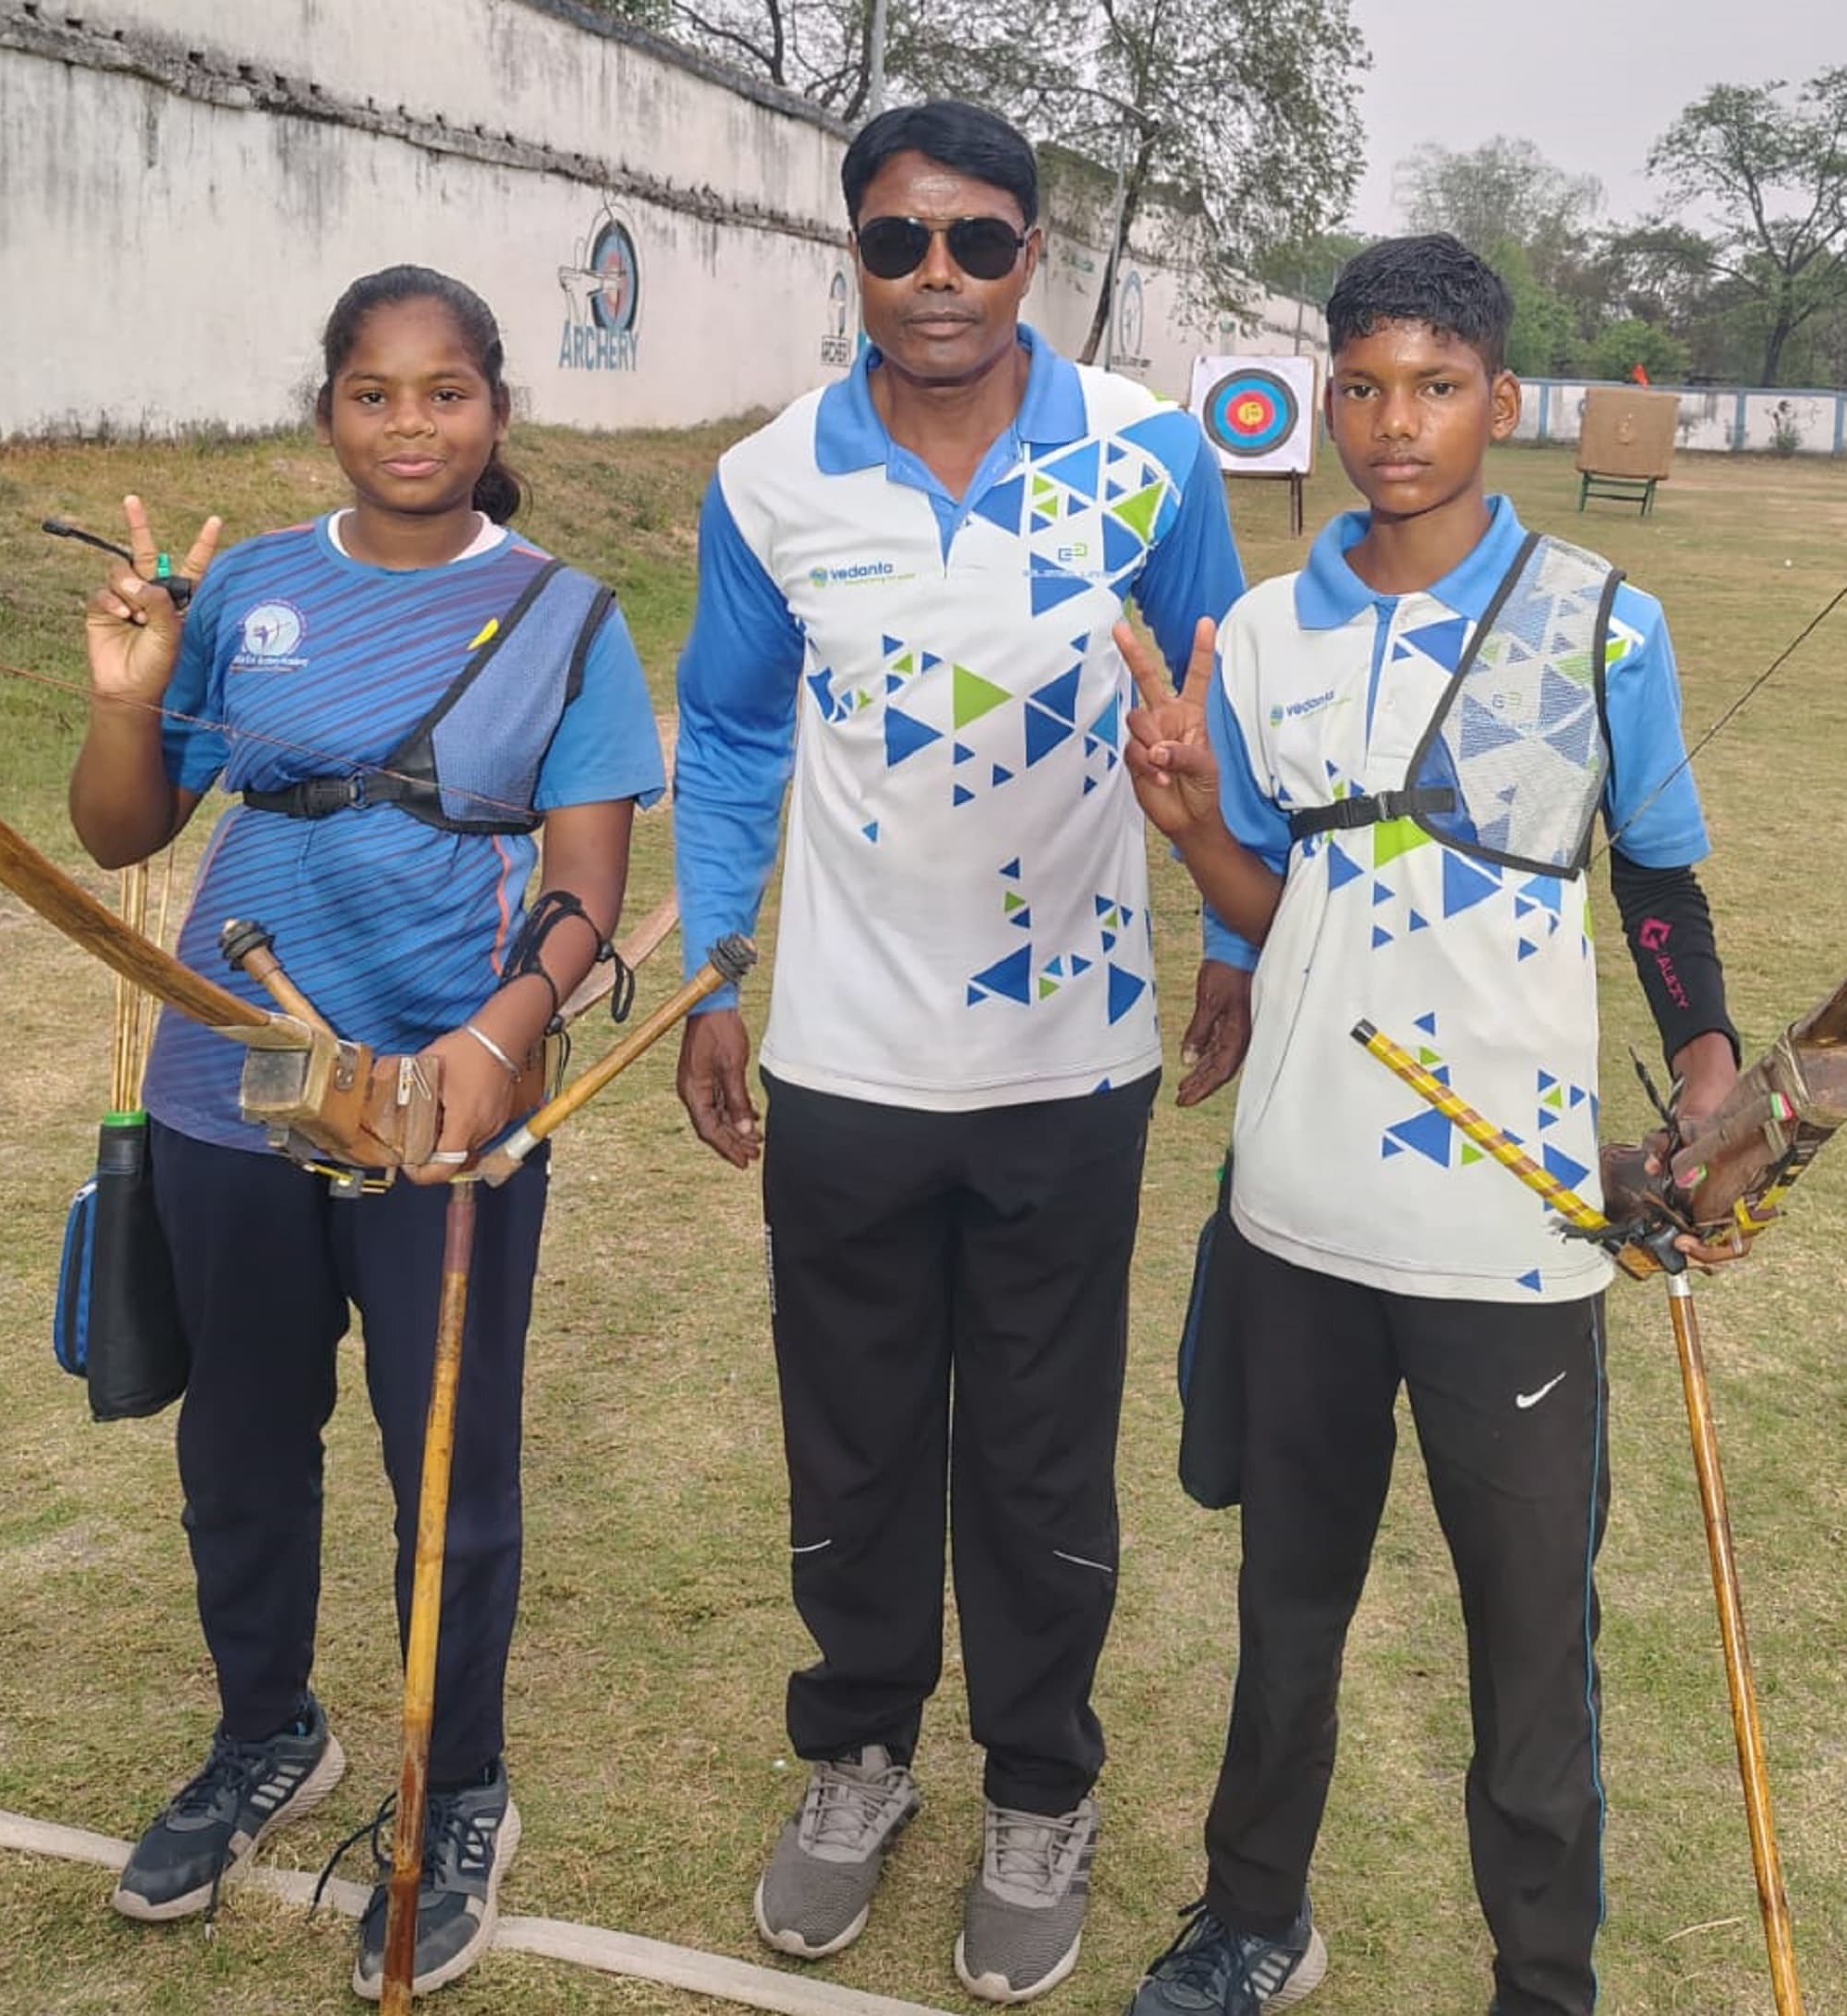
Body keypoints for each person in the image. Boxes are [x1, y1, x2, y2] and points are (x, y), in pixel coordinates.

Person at [1114, 233, 1744, 2016]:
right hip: (1299, 1211)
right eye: (1367, 387)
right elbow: (1270, 901)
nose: (1399, 423)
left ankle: (1543, 1981)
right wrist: (1190, 824)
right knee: (1286, 1605)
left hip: (1514, 1233)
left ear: (1502, 400)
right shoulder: (1262, 633)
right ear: (1326, 400)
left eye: (1439, 386)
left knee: (1531, 1645)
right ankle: (1253, 1916)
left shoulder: (1603, 620)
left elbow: (1661, 880)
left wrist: (1705, 1073)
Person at [670, 99, 1250, 2007]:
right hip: (840, 1061)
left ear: (1033, 255)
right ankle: (855, 1756)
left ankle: (1036, 1790)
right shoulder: (769, 480)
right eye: (898, 240)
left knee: (1036, 1451)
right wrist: (717, 974)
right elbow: (731, 737)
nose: (939, 277)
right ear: (852, 252)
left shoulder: (1151, 455)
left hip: (1067, 1067)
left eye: (979, 241)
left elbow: (1221, 714)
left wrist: (1240, 935)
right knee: (848, 1436)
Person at [69, 266, 666, 2000]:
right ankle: (267, 1731)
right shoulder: (248, 586)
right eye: (374, 392)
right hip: (233, 1091)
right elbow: (120, 833)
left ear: (498, 410)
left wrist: (496, 1038)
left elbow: (588, 880)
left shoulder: (565, 614)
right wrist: (128, 694)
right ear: (328, 408)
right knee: (241, 1443)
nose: (411, 425)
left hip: (442, 1107)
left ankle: (456, 1784)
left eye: (446, 391)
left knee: (448, 1465)